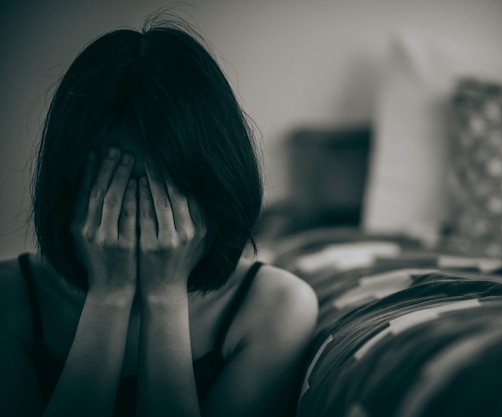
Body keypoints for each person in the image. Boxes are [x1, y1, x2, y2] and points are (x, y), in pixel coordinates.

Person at [0, 14, 318, 417]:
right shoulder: (10, 299)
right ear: (70, 183)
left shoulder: (274, 308)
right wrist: (109, 296)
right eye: (115, 183)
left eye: (164, 188)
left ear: (214, 181)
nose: (140, 214)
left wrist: (165, 295)